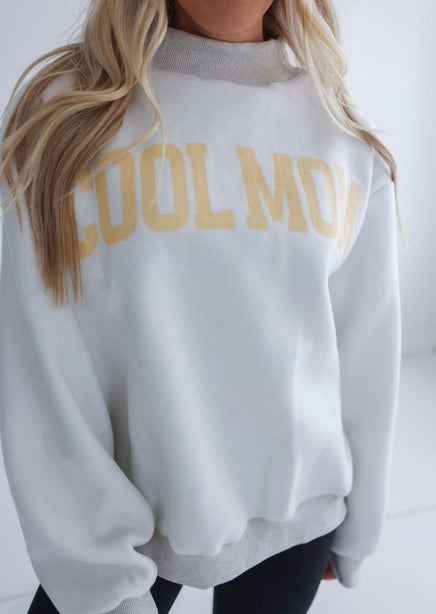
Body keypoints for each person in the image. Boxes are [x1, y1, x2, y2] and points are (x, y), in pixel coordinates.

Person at [0, 1, 405, 613]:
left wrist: (358, 526)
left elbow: (366, 352)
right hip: (129, 527)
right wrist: (98, 580)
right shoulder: (66, 120)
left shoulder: (341, 130)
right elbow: (43, 373)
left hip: (299, 519)